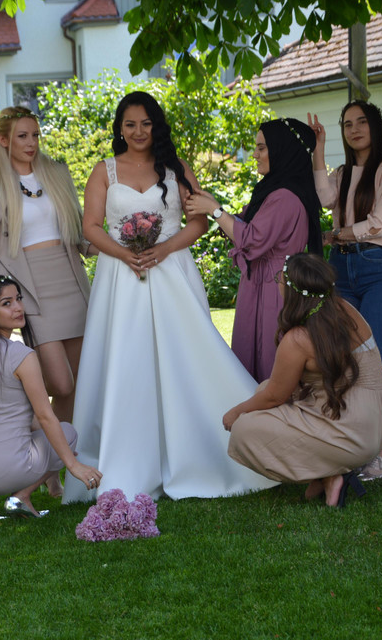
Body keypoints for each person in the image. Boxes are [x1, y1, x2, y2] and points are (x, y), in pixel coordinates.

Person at [62, 91, 277, 503]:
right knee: (128, 360)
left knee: (187, 355)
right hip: (120, 277)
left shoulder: (177, 169)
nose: (138, 131)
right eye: (130, 124)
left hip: (171, 271)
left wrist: (164, 249)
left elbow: (199, 222)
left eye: (146, 123)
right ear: (119, 128)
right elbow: (91, 226)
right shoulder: (104, 170)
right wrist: (124, 254)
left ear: (156, 126)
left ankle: (208, 448)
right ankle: (126, 457)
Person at [0, 52, 91, 440]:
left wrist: (117, 246)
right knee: (60, 384)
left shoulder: (56, 173)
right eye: (22, 136)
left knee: (80, 382)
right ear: (5, 140)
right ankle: (35, 446)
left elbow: (79, 229)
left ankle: (58, 465)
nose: (31, 142)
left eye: (35, 135)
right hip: (31, 286)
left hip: (70, 280)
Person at [225, 253, 382, 507]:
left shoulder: (298, 339)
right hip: (376, 426)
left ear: (292, 291)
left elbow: (274, 396)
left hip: (350, 432)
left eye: (280, 278)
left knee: (244, 430)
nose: (278, 282)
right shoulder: (345, 310)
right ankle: (328, 474)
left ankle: (329, 472)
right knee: (263, 389)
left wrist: (235, 413)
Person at [307, 102, 382, 480]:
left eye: (362, 122)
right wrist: (318, 148)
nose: (355, 129)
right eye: (347, 124)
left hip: (379, 268)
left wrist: (337, 234)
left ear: (375, 126)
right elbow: (323, 199)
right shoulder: (343, 173)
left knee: (372, 360)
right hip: (342, 270)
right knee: (344, 360)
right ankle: (352, 446)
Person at [185, 118, 322, 382]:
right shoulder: (273, 190)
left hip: (275, 287)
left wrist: (215, 211)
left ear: (282, 149)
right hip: (260, 282)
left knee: (270, 363)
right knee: (250, 362)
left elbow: (251, 239)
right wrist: (213, 206)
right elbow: (244, 223)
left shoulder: (285, 196)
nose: (255, 155)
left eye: (262, 148)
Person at [0, 275, 102, 519]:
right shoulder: (20, 354)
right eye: (7, 303)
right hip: (3, 470)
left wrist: (56, 449)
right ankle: (21, 497)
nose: (18, 307)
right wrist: (72, 464)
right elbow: (45, 416)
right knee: (68, 433)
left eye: (18, 299)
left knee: (51, 439)